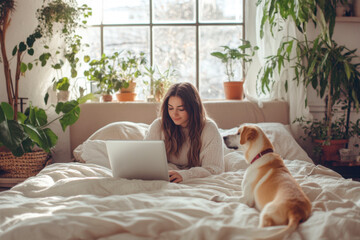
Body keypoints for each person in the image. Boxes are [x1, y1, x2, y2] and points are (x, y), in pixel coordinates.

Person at [144, 82, 224, 183]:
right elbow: (146, 161)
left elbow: (215, 169)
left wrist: (185, 174)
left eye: (181, 109)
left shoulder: (209, 129)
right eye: (170, 108)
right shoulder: (158, 126)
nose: (174, 114)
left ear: (193, 108)